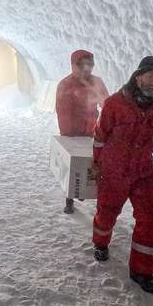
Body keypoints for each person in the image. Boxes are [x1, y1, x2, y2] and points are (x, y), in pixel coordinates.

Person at [90, 56, 153, 294]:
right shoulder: (116, 103)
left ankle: (141, 271)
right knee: (107, 212)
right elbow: (100, 134)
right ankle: (100, 242)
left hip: (143, 170)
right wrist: (96, 164)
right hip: (113, 168)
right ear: (138, 77)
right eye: (150, 76)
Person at [55, 49, 109, 214]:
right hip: (72, 133)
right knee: (73, 165)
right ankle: (69, 199)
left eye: (89, 65)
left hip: (91, 130)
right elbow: (63, 112)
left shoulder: (96, 82)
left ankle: (88, 193)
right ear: (74, 65)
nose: (87, 69)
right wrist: (69, 136)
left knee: (93, 163)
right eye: (82, 65)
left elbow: (107, 104)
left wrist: (106, 125)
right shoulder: (66, 85)